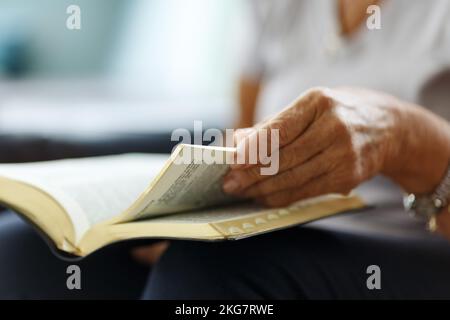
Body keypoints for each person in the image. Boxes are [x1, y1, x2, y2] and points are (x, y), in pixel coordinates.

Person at [1, 0, 450, 299]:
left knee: (204, 278)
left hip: (413, 241)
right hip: (282, 221)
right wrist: (193, 215)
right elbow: (244, 132)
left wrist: (402, 138)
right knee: (24, 247)